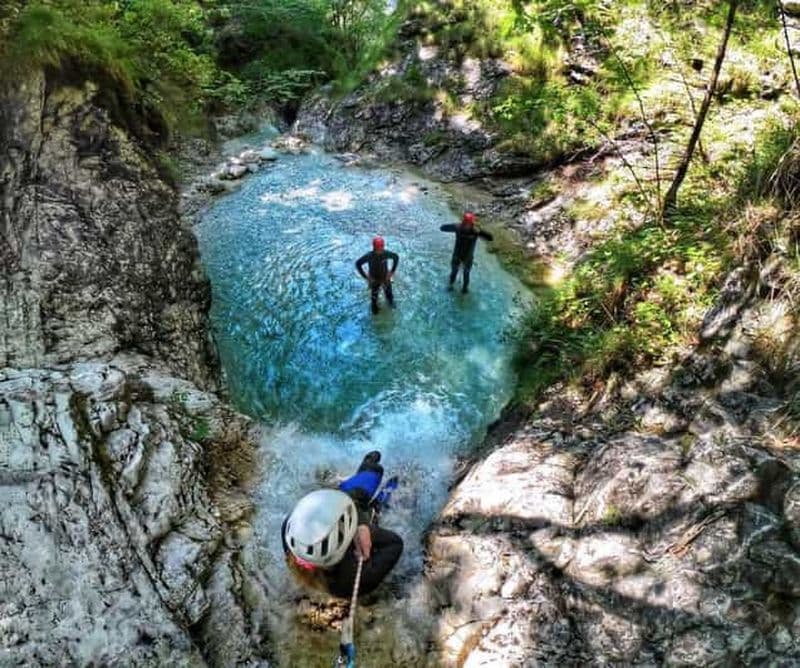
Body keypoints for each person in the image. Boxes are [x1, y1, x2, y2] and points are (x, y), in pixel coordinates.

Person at [282, 451, 403, 599]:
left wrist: (359, 526)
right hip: (359, 516)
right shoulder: (359, 580)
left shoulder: (293, 538)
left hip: (345, 507)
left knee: (374, 472)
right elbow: (395, 543)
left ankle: (368, 479)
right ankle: (376, 504)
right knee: (393, 484)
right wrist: (366, 529)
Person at [440, 212, 493, 293]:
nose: (466, 226)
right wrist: (450, 226)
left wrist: (481, 231)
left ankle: (464, 290)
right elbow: (442, 228)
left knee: (466, 275)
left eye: (468, 224)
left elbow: (490, 238)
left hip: (467, 258)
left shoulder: (475, 231)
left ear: (471, 223)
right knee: (454, 272)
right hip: (457, 256)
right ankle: (450, 286)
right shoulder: (457, 227)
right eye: (465, 223)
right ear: (463, 222)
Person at [355, 237, 399, 314]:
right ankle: (374, 308)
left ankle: (390, 304)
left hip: (385, 276)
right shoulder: (369, 256)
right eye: (377, 248)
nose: (379, 250)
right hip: (374, 278)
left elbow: (396, 257)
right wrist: (366, 277)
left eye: (381, 248)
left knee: (389, 297)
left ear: (383, 246)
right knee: (374, 299)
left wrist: (392, 272)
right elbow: (358, 263)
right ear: (374, 247)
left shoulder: (386, 253)